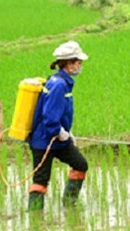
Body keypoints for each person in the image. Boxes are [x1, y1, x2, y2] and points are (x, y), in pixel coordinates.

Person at [27, 41, 89, 211]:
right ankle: (35, 218)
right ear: (69, 63)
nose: (80, 66)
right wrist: (59, 131)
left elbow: (60, 112)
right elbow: (49, 116)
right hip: (44, 141)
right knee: (40, 181)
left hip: (58, 140)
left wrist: (68, 132)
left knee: (80, 164)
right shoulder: (58, 84)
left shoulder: (63, 81)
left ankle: (69, 205)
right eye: (78, 62)